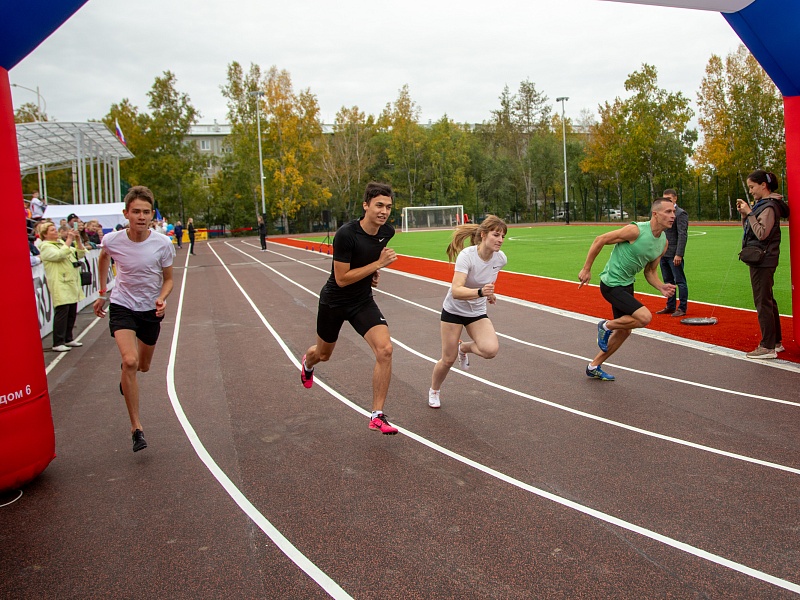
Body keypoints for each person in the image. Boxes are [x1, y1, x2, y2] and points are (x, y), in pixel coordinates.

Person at [300, 181, 399, 434]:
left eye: (388, 207)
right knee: (323, 355)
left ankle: (377, 415)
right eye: (379, 205)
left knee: (385, 350)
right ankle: (308, 364)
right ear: (366, 205)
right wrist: (377, 265)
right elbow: (342, 278)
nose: (384, 211)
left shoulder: (387, 232)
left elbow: (365, 260)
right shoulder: (346, 234)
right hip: (334, 302)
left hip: (362, 301)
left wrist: (373, 274)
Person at [93, 186, 175, 452]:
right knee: (130, 361)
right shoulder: (112, 240)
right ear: (126, 213)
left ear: (152, 215)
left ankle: (126, 375)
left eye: (146, 212)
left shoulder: (162, 244)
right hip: (122, 305)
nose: (142, 216)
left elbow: (169, 280)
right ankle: (136, 428)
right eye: (136, 211)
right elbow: (103, 258)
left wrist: (162, 298)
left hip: (150, 309)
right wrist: (102, 292)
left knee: (143, 366)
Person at [578, 198, 677, 381]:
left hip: (627, 285)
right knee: (644, 317)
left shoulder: (663, 243)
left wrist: (661, 286)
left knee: (625, 331)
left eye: (674, 212)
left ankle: (593, 366)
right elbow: (600, 239)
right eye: (668, 211)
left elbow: (650, 271)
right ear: (655, 214)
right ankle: (605, 326)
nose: (673, 216)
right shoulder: (636, 230)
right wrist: (586, 269)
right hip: (611, 284)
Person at [428, 216, 508, 409]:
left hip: (476, 312)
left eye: (503, 236)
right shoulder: (467, 256)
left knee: (490, 350)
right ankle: (434, 390)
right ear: (484, 235)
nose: (500, 240)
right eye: (496, 235)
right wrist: (480, 292)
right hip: (454, 310)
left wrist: (489, 294)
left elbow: (486, 281)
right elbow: (456, 290)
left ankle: (463, 348)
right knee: (448, 359)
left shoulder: (500, 259)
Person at [736, 170, 790, 359]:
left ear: (763, 185)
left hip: (763, 259)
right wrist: (746, 215)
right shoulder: (764, 205)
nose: (751, 191)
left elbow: (761, 233)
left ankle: (768, 346)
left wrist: (750, 213)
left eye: (752, 187)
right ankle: (775, 342)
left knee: (762, 301)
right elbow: (750, 230)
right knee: (767, 299)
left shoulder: (769, 207)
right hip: (764, 258)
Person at [38, 221, 86, 352]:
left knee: (71, 311)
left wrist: (77, 240)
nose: (55, 231)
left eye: (55, 229)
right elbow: (59, 255)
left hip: (70, 282)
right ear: (45, 234)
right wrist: (69, 240)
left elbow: (80, 254)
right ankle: (58, 342)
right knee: (62, 311)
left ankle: (68, 338)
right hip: (59, 282)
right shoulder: (46, 247)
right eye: (52, 230)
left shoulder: (61, 243)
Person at [654, 188, 688, 317]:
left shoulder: (680, 213)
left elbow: (682, 234)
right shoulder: (663, 213)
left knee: (680, 281)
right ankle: (670, 306)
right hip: (663, 253)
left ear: (675, 198)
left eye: (669, 199)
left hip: (674, 254)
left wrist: (679, 254)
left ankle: (682, 308)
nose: (667, 201)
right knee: (668, 281)